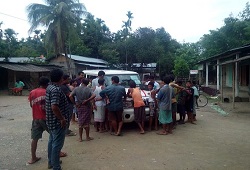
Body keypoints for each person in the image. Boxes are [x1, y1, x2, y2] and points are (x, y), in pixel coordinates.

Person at [45, 69, 69, 170]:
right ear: (60, 78)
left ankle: (51, 162)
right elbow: (54, 106)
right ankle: (56, 166)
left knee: (52, 142)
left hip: (51, 121)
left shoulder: (50, 87)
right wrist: (62, 119)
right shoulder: (56, 90)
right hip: (57, 122)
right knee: (57, 145)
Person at [27, 76, 49, 164]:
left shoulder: (32, 92)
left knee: (35, 138)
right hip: (46, 118)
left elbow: (31, 105)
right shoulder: (47, 92)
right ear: (47, 84)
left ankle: (33, 157)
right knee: (54, 136)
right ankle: (57, 153)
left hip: (36, 118)